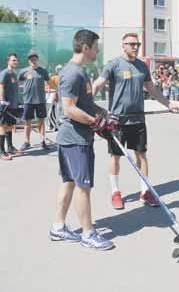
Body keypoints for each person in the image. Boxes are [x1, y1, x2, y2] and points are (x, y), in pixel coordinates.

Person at [92, 32, 179, 210]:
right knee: (115, 157)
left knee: (142, 155)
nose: (135, 47)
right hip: (117, 121)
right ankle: (116, 192)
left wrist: (168, 103)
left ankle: (145, 191)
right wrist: (87, 103)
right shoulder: (114, 64)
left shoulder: (142, 66)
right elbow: (98, 84)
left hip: (138, 120)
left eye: (137, 44)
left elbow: (152, 89)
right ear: (123, 45)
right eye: (131, 44)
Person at [49, 29, 115, 250]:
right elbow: (68, 109)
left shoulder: (80, 72)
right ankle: (88, 234)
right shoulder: (72, 73)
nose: (98, 50)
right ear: (86, 48)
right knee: (82, 187)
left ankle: (58, 227)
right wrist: (95, 123)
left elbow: (81, 104)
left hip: (75, 137)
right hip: (75, 139)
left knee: (69, 183)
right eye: (96, 47)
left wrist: (100, 111)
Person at [18, 52, 55, 150]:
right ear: (28, 61)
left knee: (41, 122)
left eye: (34, 59)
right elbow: (18, 83)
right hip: (28, 101)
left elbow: (49, 82)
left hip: (40, 101)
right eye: (31, 59)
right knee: (27, 122)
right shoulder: (23, 71)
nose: (33, 61)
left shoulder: (43, 71)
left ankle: (43, 141)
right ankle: (26, 142)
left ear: (37, 60)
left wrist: (57, 92)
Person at [0, 53, 23, 160]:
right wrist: (1, 100)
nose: (16, 62)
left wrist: (18, 102)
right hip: (5, 105)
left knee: (9, 126)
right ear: (8, 61)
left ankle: (10, 148)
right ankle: (1, 151)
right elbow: (1, 86)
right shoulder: (4, 73)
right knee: (2, 127)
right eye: (13, 60)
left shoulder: (14, 74)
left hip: (13, 105)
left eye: (16, 60)